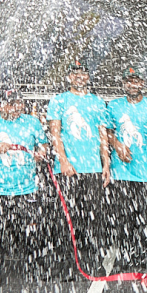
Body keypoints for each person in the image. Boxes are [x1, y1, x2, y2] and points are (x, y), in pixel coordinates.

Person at [0, 87, 48, 290]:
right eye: (11, 103)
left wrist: (40, 152)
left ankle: (35, 270)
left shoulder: (32, 121)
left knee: (31, 233)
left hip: (26, 189)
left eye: (19, 103)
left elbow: (43, 144)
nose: (16, 108)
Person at [47, 61, 111, 274]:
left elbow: (103, 135)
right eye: (75, 74)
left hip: (92, 167)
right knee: (66, 218)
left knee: (93, 216)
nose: (80, 77)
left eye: (83, 73)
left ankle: (91, 261)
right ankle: (65, 263)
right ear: (69, 78)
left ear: (88, 77)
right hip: (68, 169)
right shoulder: (59, 101)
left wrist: (106, 164)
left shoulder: (98, 102)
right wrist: (63, 161)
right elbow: (55, 133)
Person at [106, 68, 147, 268]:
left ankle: (146, 255)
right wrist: (117, 145)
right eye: (129, 81)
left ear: (143, 83)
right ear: (124, 84)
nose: (133, 85)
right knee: (124, 216)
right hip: (122, 171)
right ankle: (125, 256)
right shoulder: (113, 106)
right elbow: (107, 132)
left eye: (136, 81)